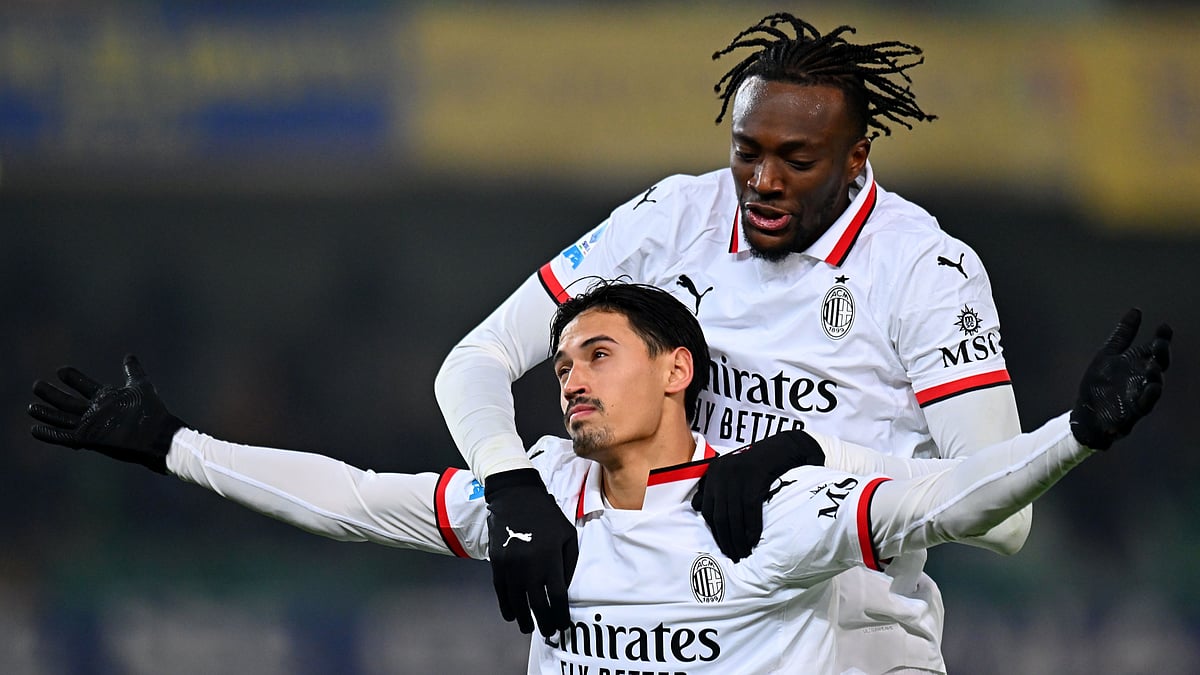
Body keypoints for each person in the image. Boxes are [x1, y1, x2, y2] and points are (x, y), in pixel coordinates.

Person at [28, 282, 1170, 674]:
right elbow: (353, 500)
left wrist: (1078, 430)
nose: (568, 378)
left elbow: (947, 503)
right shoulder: (538, 502)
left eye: (599, 355)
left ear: (679, 372)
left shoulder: (768, 507)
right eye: (561, 360)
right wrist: (173, 443)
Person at [435, 13, 1027, 671]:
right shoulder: (676, 217)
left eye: (797, 159)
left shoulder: (925, 270)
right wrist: (509, 484)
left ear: (856, 156)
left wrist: (812, 452)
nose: (764, 182)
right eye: (748, 151)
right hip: (696, 641)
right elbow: (475, 360)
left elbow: (1002, 515)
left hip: (862, 651)